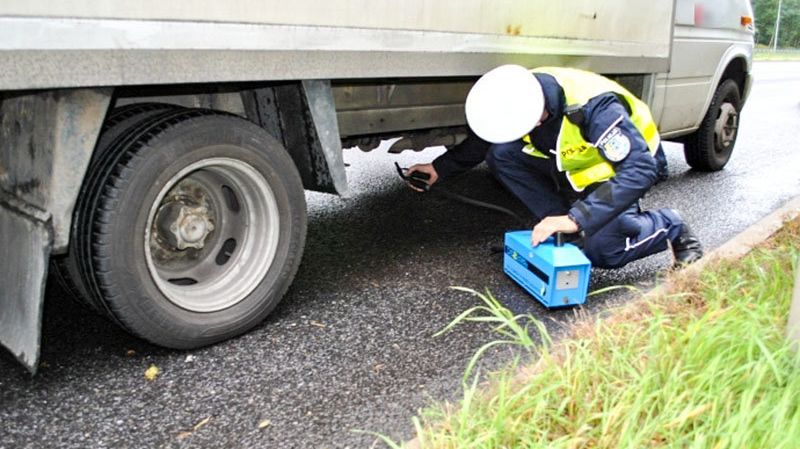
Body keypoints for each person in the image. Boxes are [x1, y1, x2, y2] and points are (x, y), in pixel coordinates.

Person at [405, 65, 702, 269]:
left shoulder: (594, 108)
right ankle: (561, 225)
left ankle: (670, 225)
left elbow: (639, 169)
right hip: (580, 164)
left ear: (536, 117)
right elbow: (488, 140)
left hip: (625, 169)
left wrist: (577, 218)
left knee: (604, 250)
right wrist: (440, 168)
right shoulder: (520, 91)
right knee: (501, 154)